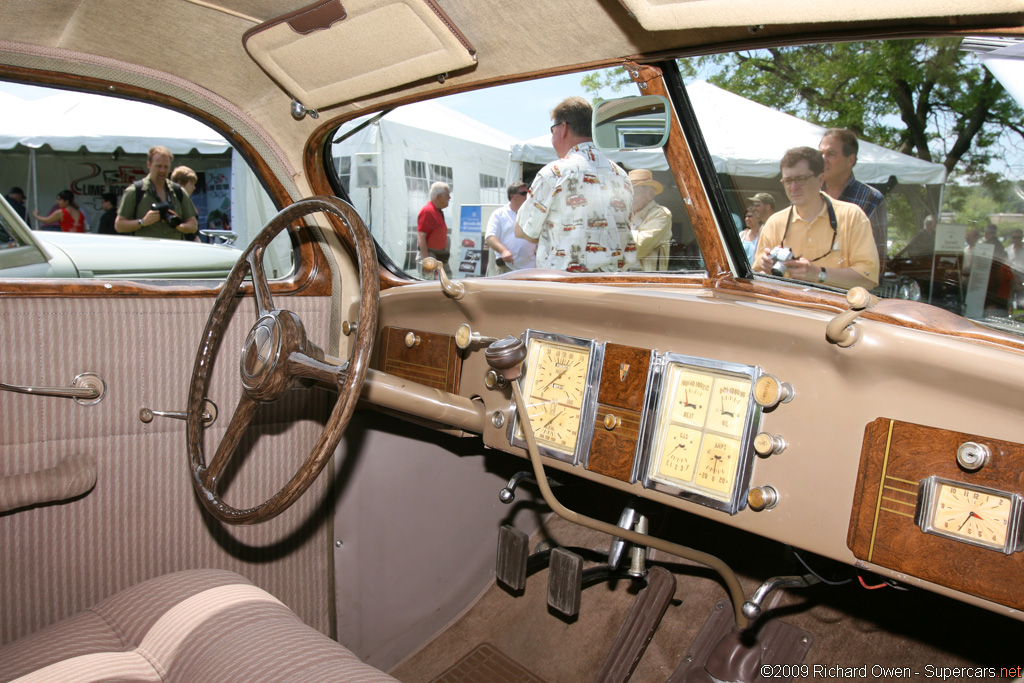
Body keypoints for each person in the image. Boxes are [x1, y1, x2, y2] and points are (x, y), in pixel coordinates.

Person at [515, 96, 636, 272]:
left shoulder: (554, 173)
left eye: (552, 130)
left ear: (563, 128)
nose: (553, 137)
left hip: (567, 289)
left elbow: (523, 231)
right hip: (612, 287)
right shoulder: (621, 175)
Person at [753, 146, 879, 289]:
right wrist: (767, 269)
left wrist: (819, 274)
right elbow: (756, 277)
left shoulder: (852, 216)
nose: (793, 187)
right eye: (788, 180)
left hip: (836, 309)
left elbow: (868, 279)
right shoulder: (774, 223)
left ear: (820, 179)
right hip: (786, 308)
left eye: (801, 179)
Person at [819, 128, 888, 267]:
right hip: (805, 283)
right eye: (820, 153)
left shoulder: (871, 198)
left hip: (848, 286)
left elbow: (877, 260)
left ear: (850, 160)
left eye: (830, 154)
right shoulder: (808, 194)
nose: (822, 159)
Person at [115, 145, 198, 240]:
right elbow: (119, 225)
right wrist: (143, 222)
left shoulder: (178, 192)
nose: (162, 170)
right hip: (147, 252)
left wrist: (177, 225)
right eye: (158, 166)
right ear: (149, 165)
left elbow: (193, 225)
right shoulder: (135, 191)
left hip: (173, 251)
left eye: (166, 167)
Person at [485, 182, 535, 274]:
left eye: (528, 193)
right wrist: (503, 251)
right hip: (507, 267)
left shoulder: (533, 214)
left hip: (530, 268)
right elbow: (490, 236)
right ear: (512, 196)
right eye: (523, 193)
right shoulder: (499, 214)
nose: (527, 196)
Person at [628, 169, 672, 271]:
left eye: (635, 193)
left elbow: (639, 247)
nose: (631, 198)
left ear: (650, 194)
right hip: (624, 278)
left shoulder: (661, 214)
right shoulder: (625, 214)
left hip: (649, 281)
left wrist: (616, 230)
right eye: (628, 193)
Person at [417, 182, 451, 276]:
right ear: (439, 196)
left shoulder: (437, 211)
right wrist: (427, 261)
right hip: (431, 256)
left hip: (440, 257)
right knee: (431, 287)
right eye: (447, 195)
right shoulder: (428, 211)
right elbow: (421, 237)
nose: (449, 198)